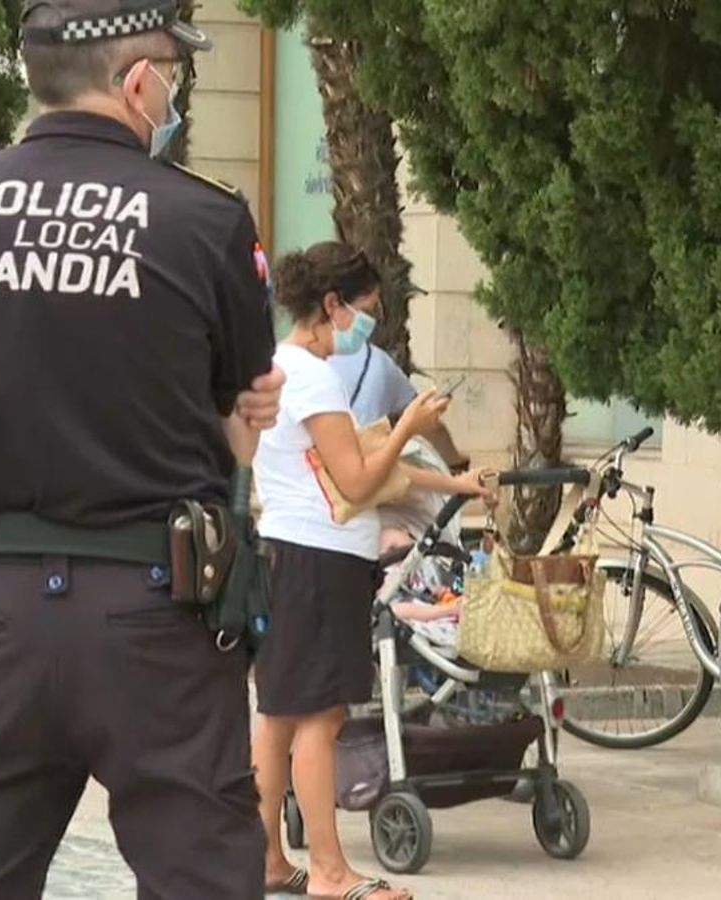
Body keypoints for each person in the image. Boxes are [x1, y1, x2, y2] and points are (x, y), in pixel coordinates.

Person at [0, 2, 283, 897]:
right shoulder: (204, 217)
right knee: (201, 875)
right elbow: (242, 399)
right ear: (140, 82)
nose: (174, 97)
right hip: (156, 608)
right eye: (174, 78)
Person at [252, 243, 485, 900]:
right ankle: (329, 871)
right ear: (332, 305)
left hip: (290, 555)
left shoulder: (279, 366)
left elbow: (351, 465)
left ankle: (267, 859)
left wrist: (451, 479)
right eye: (367, 311)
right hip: (322, 562)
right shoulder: (316, 379)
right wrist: (411, 419)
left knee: (277, 715)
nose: (369, 326)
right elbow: (358, 476)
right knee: (320, 719)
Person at [327, 337, 470, 472]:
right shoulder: (376, 362)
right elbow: (429, 427)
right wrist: (456, 472)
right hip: (360, 477)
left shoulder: (313, 365)